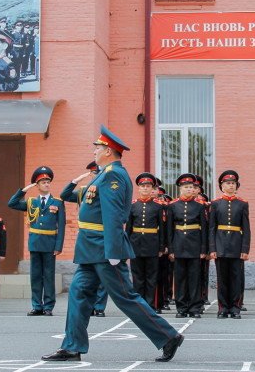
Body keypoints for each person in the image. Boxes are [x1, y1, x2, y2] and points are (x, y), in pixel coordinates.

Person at [42, 126, 184, 363]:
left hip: (105, 249)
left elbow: (114, 215)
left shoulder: (114, 175)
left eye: (97, 148)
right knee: (78, 293)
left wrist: (114, 250)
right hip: (90, 249)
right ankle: (72, 345)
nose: (94, 151)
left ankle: (168, 336)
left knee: (125, 297)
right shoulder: (102, 174)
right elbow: (73, 197)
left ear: (108, 151)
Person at [8, 166, 66, 316]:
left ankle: (48, 307)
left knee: (48, 276)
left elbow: (62, 225)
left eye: (48, 181)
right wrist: (24, 190)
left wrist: (58, 246)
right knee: (35, 277)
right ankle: (36, 305)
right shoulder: (31, 202)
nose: (46, 184)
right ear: (37, 185)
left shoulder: (57, 202)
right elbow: (12, 203)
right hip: (35, 243)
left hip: (50, 244)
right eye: (43, 182)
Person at [208, 170, 251, 319]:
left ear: (236, 186)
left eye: (233, 183)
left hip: (236, 245)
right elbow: (212, 228)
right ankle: (223, 308)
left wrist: (245, 249)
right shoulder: (215, 204)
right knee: (222, 279)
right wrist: (212, 248)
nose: (230, 186)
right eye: (227, 183)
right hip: (220, 244)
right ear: (222, 186)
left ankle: (235, 308)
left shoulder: (242, 204)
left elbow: (246, 228)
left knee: (236, 278)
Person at [167, 173, 208, 318]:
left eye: (191, 187)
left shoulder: (199, 206)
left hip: (195, 245)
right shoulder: (172, 206)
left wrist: (204, 249)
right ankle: (181, 308)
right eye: (186, 187)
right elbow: (169, 230)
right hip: (178, 245)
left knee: (194, 278)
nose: (189, 189)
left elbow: (204, 229)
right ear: (180, 189)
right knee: (180, 279)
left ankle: (194, 308)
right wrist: (170, 249)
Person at [126, 172, 166, 311]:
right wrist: (127, 245)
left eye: (148, 186)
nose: (145, 189)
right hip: (136, 244)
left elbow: (162, 228)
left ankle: (150, 304)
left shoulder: (158, 206)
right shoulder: (132, 206)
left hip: (152, 244)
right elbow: (128, 228)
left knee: (151, 277)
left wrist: (162, 246)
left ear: (152, 189)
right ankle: (139, 304)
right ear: (138, 188)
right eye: (143, 186)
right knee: (137, 276)